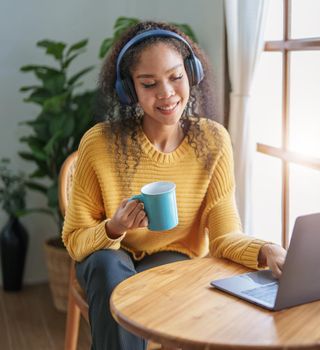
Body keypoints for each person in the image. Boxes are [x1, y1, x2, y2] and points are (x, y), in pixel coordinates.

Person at [62, 20, 287, 350]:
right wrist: (113, 228)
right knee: (109, 269)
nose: (166, 93)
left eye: (175, 77)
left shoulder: (213, 140)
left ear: (191, 75)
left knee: (174, 274)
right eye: (149, 83)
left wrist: (266, 250)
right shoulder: (100, 144)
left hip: (171, 259)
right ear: (129, 90)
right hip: (107, 258)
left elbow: (225, 237)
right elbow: (75, 241)